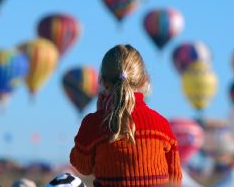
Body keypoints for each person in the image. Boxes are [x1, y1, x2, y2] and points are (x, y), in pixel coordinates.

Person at [70, 44, 182, 186]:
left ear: (103, 82)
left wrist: (98, 115)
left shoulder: (94, 123)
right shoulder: (161, 125)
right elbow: (175, 178)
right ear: (144, 80)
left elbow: (82, 166)